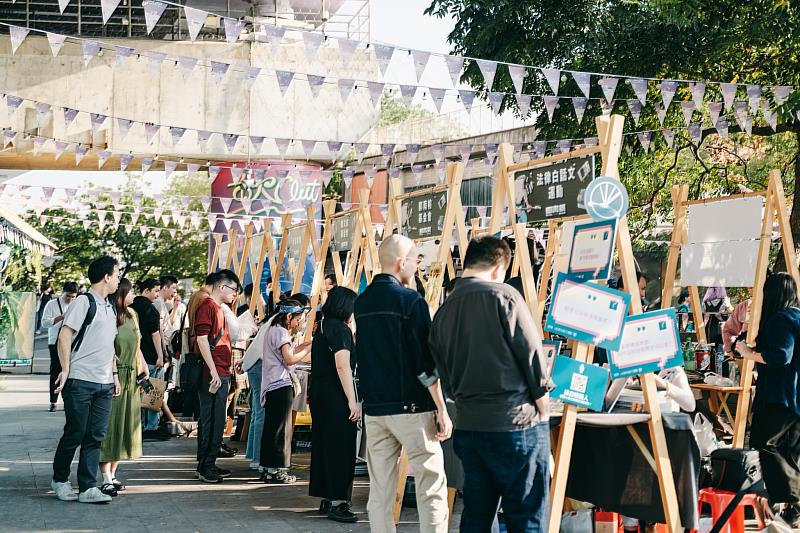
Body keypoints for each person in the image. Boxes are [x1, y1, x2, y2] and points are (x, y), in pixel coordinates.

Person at [429, 236, 550, 532]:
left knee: (476, 514)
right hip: (515, 423)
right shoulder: (505, 296)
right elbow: (534, 358)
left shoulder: (443, 311)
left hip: (469, 424)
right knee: (525, 517)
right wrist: (544, 411)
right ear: (499, 268)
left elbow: (438, 371)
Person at [354, 234, 451, 533]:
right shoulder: (411, 300)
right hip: (411, 407)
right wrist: (441, 408)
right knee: (430, 485)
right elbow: (424, 362)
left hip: (375, 409)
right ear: (401, 262)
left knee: (380, 489)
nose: (417, 264)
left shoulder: (362, 302)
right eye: (415, 258)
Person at [51, 255, 121, 504]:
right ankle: (60, 480)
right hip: (80, 380)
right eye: (117, 273)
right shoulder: (84, 301)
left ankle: (88, 487)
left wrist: (114, 374)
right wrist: (66, 368)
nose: (118, 278)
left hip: (104, 383)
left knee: (95, 435)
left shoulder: (109, 306)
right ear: (107, 276)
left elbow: (109, 344)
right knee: (75, 432)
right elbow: (64, 335)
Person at [736, 273, 800, 527]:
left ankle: (793, 499)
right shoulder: (797, 316)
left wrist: (748, 353)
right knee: (791, 453)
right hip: (795, 398)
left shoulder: (779, 320)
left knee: (765, 444)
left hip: (778, 397)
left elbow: (780, 356)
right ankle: (790, 510)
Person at [309, 286, 360, 523]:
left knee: (324, 445)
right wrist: (352, 400)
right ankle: (339, 500)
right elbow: (343, 365)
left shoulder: (321, 325)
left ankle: (328, 496)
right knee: (342, 446)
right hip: (336, 393)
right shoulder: (340, 329)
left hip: (319, 392)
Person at [98, 278, 148, 497]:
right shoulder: (110, 315)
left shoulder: (133, 314)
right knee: (111, 425)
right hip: (115, 376)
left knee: (126, 425)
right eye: (131, 291)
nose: (134, 294)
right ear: (121, 293)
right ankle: (105, 477)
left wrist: (144, 366)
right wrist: (115, 376)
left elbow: (137, 345)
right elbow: (108, 348)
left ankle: (114, 473)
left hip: (132, 377)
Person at [193, 269, 240, 483]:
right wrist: (212, 369)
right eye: (233, 290)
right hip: (213, 373)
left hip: (219, 371)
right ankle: (206, 466)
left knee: (214, 419)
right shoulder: (208, 306)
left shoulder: (217, 308)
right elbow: (202, 339)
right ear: (222, 287)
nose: (234, 295)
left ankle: (207, 462)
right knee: (212, 420)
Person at [259, 300, 312, 484]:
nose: (300, 323)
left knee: (272, 428)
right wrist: (307, 351)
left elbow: (286, 352)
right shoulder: (280, 332)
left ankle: (268, 469)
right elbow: (289, 359)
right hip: (280, 385)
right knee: (281, 430)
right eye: (299, 319)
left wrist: (303, 346)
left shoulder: (273, 329)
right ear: (289, 316)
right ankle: (276, 471)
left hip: (272, 385)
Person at [131, 278, 167, 437]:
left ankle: (138, 426)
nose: (157, 295)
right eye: (155, 291)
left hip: (136, 359)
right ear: (146, 290)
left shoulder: (130, 308)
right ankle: (152, 426)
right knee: (153, 393)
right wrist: (160, 356)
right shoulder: (151, 310)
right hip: (151, 359)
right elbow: (155, 335)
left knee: (138, 394)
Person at [41, 281, 79, 412]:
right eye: (68, 296)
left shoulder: (77, 305)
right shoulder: (52, 304)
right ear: (63, 292)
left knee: (70, 371)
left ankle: (67, 401)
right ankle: (53, 401)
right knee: (56, 371)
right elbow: (44, 323)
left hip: (72, 342)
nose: (71, 299)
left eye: (74, 296)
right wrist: (60, 318)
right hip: (55, 342)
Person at [723, 289, 752, 356]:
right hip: (745, 351)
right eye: (750, 286)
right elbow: (729, 330)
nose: (750, 288)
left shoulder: (775, 304)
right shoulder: (744, 306)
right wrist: (729, 349)